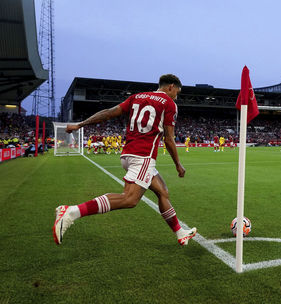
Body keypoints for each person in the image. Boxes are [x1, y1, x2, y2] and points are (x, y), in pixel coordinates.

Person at [53, 74, 197, 246]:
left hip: (128, 153)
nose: (176, 97)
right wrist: (178, 165)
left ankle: (180, 233)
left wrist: (80, 124)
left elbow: (108, 113)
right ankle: (71, 212)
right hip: (143, 156)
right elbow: (169, 138)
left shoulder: (136, 97)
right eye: (177, 93)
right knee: (130, 199)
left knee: (162, 192)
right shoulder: (169, 103)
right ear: (171, 87)